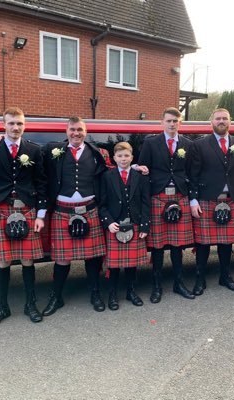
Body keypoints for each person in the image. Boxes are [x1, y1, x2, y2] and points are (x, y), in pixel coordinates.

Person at [0, 107, 47, 328]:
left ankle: (30, 305)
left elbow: (41, 183)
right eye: (11, 123)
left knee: (28, 259)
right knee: (3, 260)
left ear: (24, 126)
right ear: (3, 125)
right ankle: (2, 307)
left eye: (19, 124)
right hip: (0, 209)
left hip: (27, 209)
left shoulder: (34, 150)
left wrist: (41, 214)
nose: (15, 127)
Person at [41, 116, 108, 315]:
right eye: (72, 129)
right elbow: (27, 152)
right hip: (63, 210)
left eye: (79, 129)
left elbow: (113, 169)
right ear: (66, 131)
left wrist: (136, 167)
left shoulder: (97, 153)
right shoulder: (53, 150)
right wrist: (1, 138)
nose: (76, 133)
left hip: (90, 209)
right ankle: (57, 296)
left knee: (93, 257)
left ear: (85, 131)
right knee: (62, 258)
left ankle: (95, 293)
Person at [188, 108, 234, 292]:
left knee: (226, 243)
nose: (221, 121)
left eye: (225, 118)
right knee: (203, 244)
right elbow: (193, 176)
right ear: (211, 122)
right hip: (207, 200)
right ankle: (200, 279)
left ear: (230, 121)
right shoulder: (199, 145)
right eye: (218, 118)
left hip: (231, 200)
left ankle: (225, 277)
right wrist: (193, 200)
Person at [138, 107, 195, 302]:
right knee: (158, 246)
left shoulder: (187, 144)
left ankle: (179, 284)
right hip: (158, 196)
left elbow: (191, 173)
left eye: (175, 121)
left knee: (178, 246)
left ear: (180, 123)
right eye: (169, 121)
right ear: (162, 122)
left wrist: (192, 197)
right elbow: (143, 169)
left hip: (179, 196)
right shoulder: (151, 142)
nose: (172, 124)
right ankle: (157, 287)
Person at [99, 142, 151, 310]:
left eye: (126, 156)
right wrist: (108, 222)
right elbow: (102, 205)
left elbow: (145, 203)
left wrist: (144, 226)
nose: (123, 159)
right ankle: (112, 295)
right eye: (120, 156)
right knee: (113, 265)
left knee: (131, 264)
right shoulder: (107, 177)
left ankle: (131, 291)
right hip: (115, 225)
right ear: (114, 158)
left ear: (132, 157)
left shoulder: (140, 177)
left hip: (134, 223)